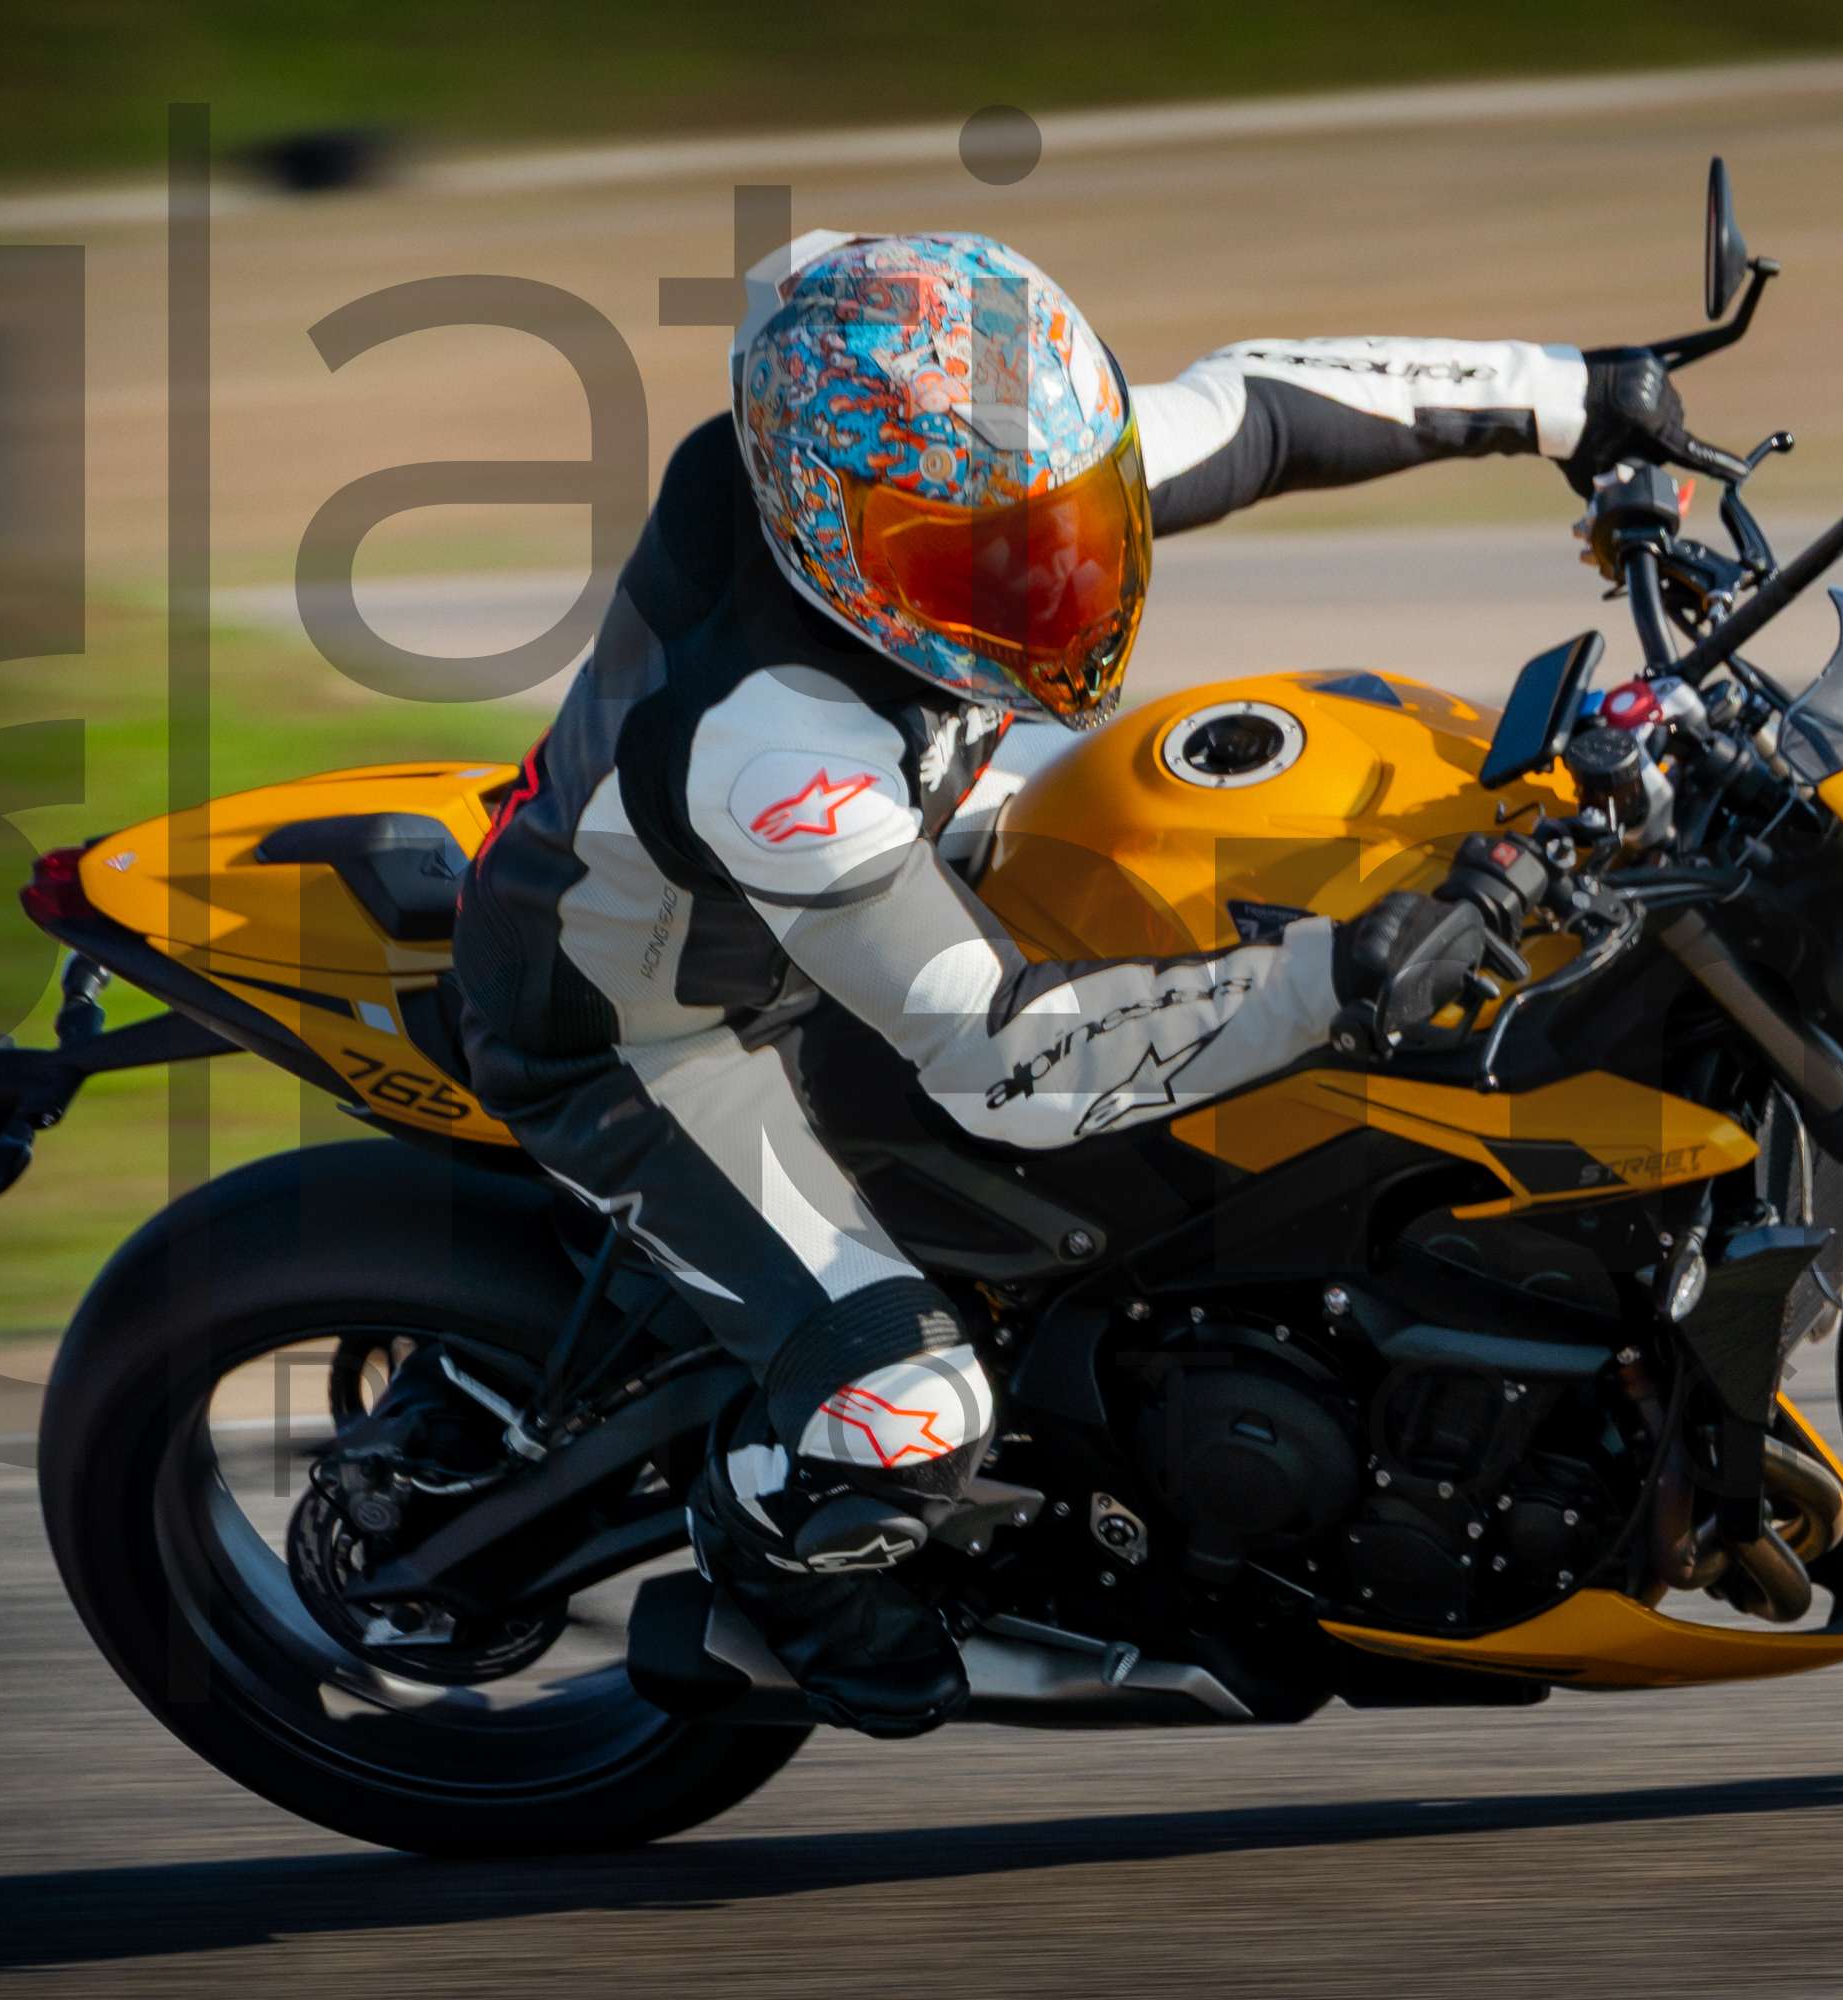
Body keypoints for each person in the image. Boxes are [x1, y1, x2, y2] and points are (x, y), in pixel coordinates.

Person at [451, 229, 1688, 1736]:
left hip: (856, 856)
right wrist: (1338, 980)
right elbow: (1009, 1065)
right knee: (909, 1410)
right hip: (654, 1027)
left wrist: (1575, 394)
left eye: (1075, 530)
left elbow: (1260, 409)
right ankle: (774, 1562)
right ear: (833, 537)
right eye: (978, 563)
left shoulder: (995, 466)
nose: (1051, 584)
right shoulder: (776, 742)